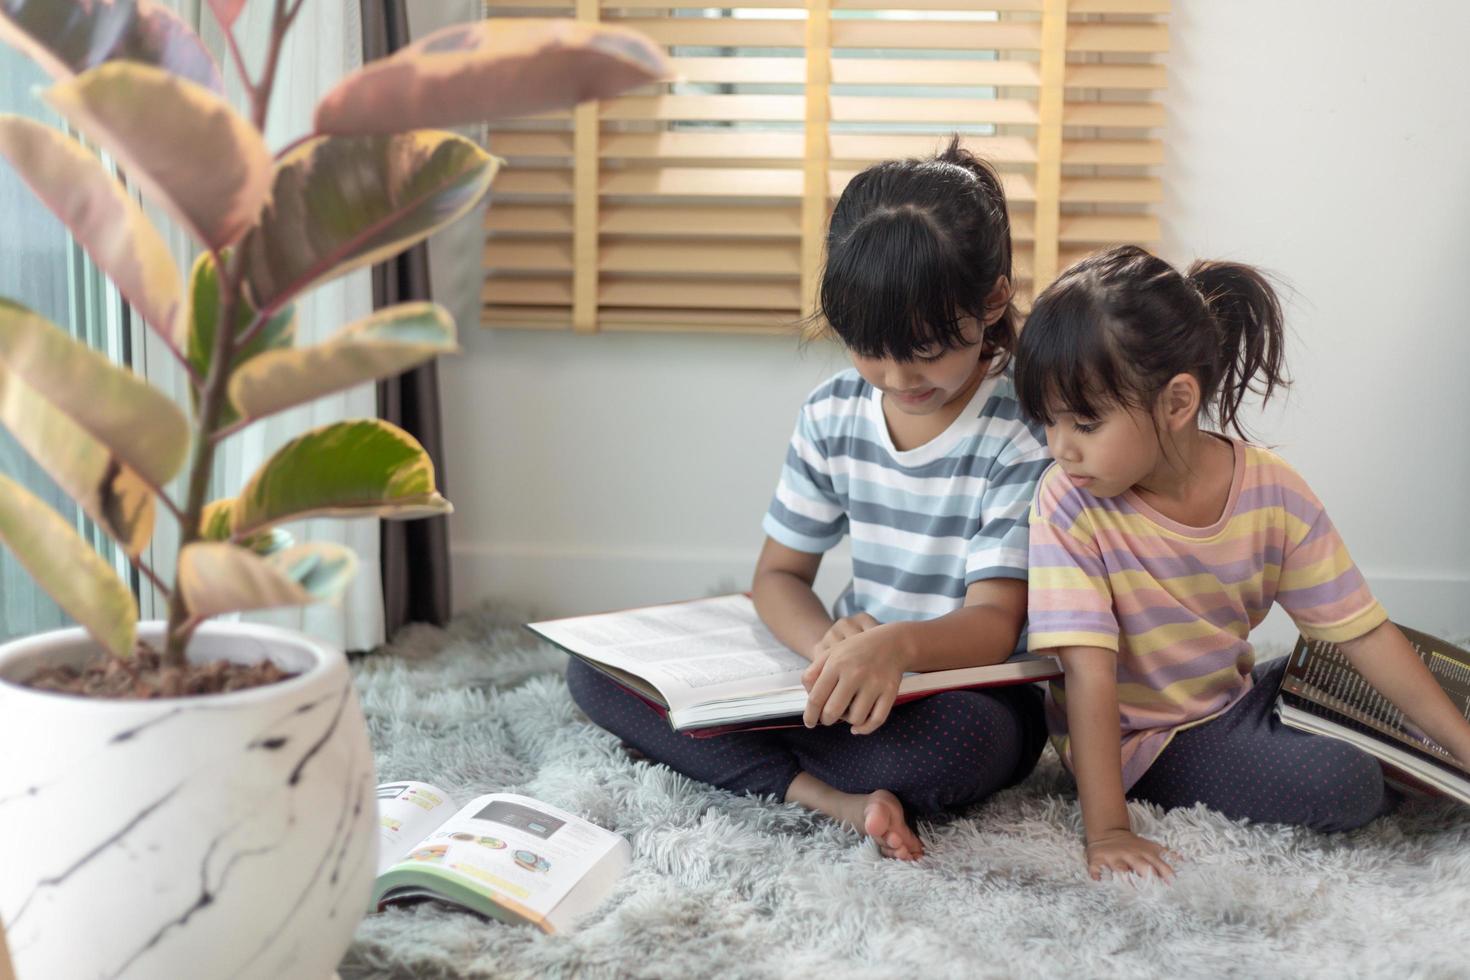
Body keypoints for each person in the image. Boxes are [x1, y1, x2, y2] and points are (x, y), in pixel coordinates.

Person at [567, 138, 1052, 859]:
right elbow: (779, 577)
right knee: (595, 674)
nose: (895, 377)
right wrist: (827, 649)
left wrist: (896, 647)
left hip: (963, 689)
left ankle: (765, 765)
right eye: (869, 348)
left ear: (991, 300)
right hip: (848, 681)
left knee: (959, 748)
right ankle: (825, 796)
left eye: (925, 350)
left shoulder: (1021, 430)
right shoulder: (834, 411)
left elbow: (992, 620)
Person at [1015, 244, 1470, 881]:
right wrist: (1108, 830)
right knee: (1342, 783)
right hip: (1147, 743)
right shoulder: (1068, 504)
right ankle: (1379, 770)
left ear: (1177, 404)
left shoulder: (1271, 487)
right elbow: (1087, 677)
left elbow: (1360, 632)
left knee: (1384, 674)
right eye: (1048, 422)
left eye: (1083, 423)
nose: (1060, 448)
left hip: (1232, 698)